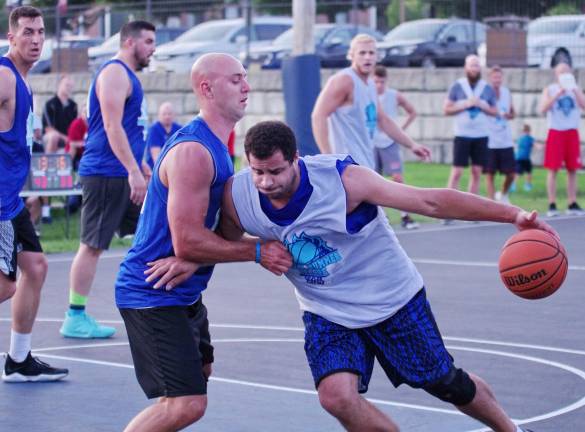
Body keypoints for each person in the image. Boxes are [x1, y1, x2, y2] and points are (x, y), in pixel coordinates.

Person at [154, 120, 549, 432]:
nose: (266, 181)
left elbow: (429, 200)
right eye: (257, 171)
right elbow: (225, 239)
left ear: (296, 159)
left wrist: (512, 215)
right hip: (326, 311)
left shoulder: (343, 180)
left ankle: (511, 429)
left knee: (446, 381)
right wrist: (191, 258)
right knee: (335, 397)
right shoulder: (239, 195)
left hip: (392, 300)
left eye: (275, 171)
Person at [115, 54, 292, 432]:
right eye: (235, 80)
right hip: (152, 290)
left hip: (183, 291)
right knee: (187, 404)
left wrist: (196, 258)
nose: (247, 87)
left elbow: (214, 231)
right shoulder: (194, 151)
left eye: (245, 78)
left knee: (199, 374)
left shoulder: (218, 147)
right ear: (207, 88)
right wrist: (256, 250)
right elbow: (188, 240)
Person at [60, 20, 156, 339]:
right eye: (148, 41)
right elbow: (112, 127)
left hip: (122, 171)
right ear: (129, 42)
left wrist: (140, 165)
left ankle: (148, 304)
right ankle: (75, 315)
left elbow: (127, 128)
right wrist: (132, 170)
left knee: (146, 235)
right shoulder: (115, 73)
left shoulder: (127, 76)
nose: (153, 48)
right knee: (92, 245)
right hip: (106, 172)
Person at [0, 5, 68, 382]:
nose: (36, 39)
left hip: (11, 199)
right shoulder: (5, 77)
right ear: (11, 37)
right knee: (6, 285)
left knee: (36, 268)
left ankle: (19, 359)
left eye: (41, 32)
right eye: (27, 32)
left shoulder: (24, 80)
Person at [311, 34, 430, 170]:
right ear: (352, 55)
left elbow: (383, 120)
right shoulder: (344, 80)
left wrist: (412, 145)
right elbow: (318, 115)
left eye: (371, 53)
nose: (367, 57)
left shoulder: (371, 84)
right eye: (362, 53)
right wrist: (328, 157)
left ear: (377, 56)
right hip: (346, 166)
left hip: (366, 162)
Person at [444, 55, 498, 201]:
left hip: (481, 135)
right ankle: (448, 205)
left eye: (476, 65)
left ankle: (471, 206)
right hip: (462, 134)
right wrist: (464, 105)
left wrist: (481, 105)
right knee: (457, 172)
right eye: (471, 65)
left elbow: (495, 111)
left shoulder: (486, 88)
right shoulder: (457, 86)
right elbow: (446, 109)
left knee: (476, 172)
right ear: (466, 67)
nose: (474, 69)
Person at [372, 64, 419, 229]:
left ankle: (405, 215)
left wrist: (400, 131)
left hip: (389, 142)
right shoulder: (366, 95)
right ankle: (379, 219)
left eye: (381, 82)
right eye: (376, 81)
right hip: (371, 143)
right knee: (372, 182)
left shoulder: (394, 95)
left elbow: (412, 112)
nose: (379, 85)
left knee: (397, 179)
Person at [538, 62, 585, 217]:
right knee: (553, 169)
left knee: (573, 169)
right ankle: (552, 203)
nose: (564, 74)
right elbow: (542, 109)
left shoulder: (575, 90)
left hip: (571, 132)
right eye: (561, 72)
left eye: (567, 71)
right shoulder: (550, 89)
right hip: (556, 132)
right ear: (556, 74)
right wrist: (558, 93)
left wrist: (575, 90)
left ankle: (572, 202)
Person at [40, 74, 78, 223]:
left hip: (67, 146)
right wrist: (66, 139)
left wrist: (71, 141)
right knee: (54, 137)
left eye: (70, 86)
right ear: (59, 85)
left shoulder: (73, 106)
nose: (68, 88)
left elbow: (75, 129)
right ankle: (48, 167)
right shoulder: (50, 104)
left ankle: (71, 200)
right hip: (50, 143)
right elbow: (48, 129)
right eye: (66, 85)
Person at [485, 66, 516, 204]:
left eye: (499, 77)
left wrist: (509, 115)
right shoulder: (485, 93)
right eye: (494, 77)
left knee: (511, 173)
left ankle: (502, 194)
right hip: (490, 139)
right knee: (490, 173)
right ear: (490, 78)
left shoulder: (506, 92)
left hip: (505, 139)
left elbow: (512, 112)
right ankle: (491, 203)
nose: (497, 80)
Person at [145, 101, 181, 169]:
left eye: (169, 114)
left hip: (175, 168)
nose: (167, 116)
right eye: (164, 114)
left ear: (174, 115)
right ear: (159, 115)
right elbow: (156, 157)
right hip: (156, 169)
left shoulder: (179, 129)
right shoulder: (154, 129)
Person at [514, 124, 535, 192]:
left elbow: (517, 147)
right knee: (529, 172)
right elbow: (535, 146)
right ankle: (527, 185)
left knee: (518, 172)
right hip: (525, 158)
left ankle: (513, 185)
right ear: (529, 131)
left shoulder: (520, 139)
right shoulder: (530, 138)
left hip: (518, 158)